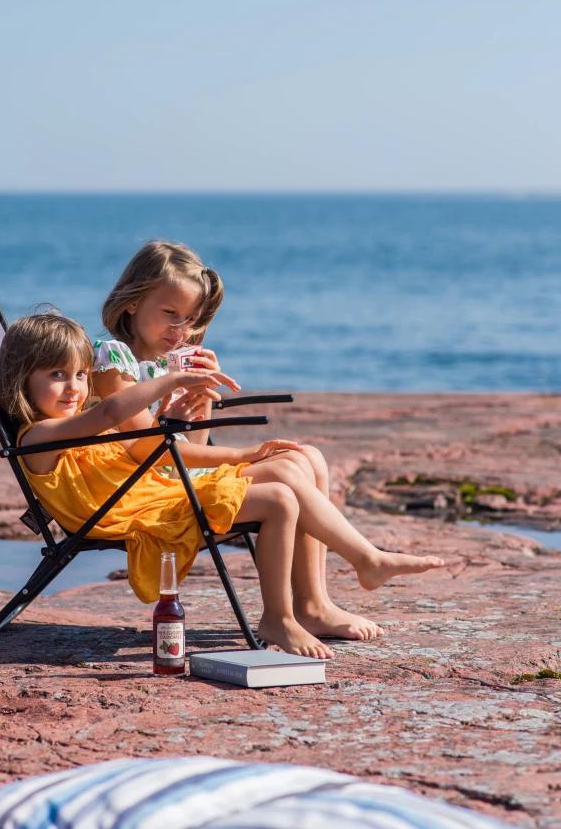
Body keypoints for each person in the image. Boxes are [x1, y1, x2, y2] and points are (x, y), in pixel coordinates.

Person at [0, 311, 444, 660]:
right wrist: (172, 379)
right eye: (56, 375)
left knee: (295, 463)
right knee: (279, 499)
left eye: (79, 375)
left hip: (155, 492)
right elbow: (109, 412)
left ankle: (345, 579)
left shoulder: (85, 427)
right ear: (22, 381)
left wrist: (243, 454)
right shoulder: (39, 437)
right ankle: (279, 617)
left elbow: (158, 453)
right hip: (136, 513)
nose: (73, 387)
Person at [94, 241, 383, 641]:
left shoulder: (174, 361)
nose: (180, 329)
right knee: (286, 471)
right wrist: (239, 452)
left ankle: (315, 604)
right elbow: (147, 450)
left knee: (308, 456)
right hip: (147, 486)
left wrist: (199, 399)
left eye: (191, 318)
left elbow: (190, 441)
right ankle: (358, 563)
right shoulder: (114, 360)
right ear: (131, 303)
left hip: (179, 472)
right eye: (169, 313)